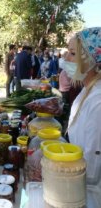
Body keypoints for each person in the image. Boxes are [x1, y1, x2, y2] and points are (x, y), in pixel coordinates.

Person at [62, 27, 101, 207]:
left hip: (89, 195)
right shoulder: (86, 90)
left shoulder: (98, 102)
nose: (65, 58)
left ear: (90, 60)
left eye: (72, 53)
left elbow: (92, 170)